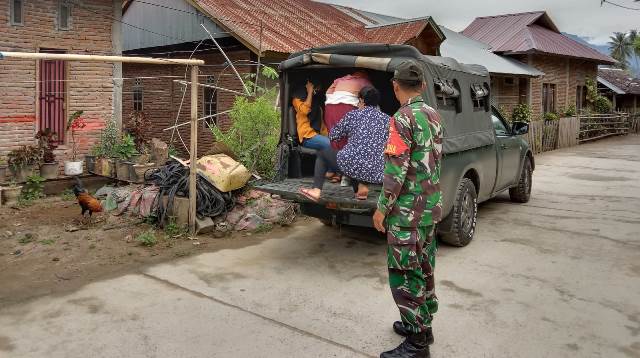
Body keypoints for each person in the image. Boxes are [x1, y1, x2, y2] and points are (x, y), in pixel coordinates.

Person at [373, 62, 443, 358]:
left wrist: (381, 209)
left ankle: (417, 345)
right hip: (429, 211)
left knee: (404, 274)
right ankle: (423, 326)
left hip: (405, 214)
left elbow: (395, 172)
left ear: (395, 86)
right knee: (424, 269)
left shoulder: (401, 118)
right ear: (423, 86)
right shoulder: (433, 115)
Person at [299, 86, 389, 201]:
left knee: (324, 154)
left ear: (361, 100)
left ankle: (316, 190)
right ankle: (361, 188)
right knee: (360, 158)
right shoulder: (388, 120)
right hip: (378, 172)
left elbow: (333, 136)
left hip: (353, 165)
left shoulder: (353, 115)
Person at [324, 71, 373, 150]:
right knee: (350, 137)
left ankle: (336, 156)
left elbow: (328, 93)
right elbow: (372, 98)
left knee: (335, 135)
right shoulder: (364, 81)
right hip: (347, 107)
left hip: (329, 107)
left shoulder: (340, 80)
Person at [292, 80, 330, 150]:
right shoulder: (297, 98)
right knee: (330, 146)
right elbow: (305, 110)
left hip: (318, 135)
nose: (317, 89)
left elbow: (322, 126)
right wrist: (310, 91)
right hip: (307, 136)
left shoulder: (317, 101)